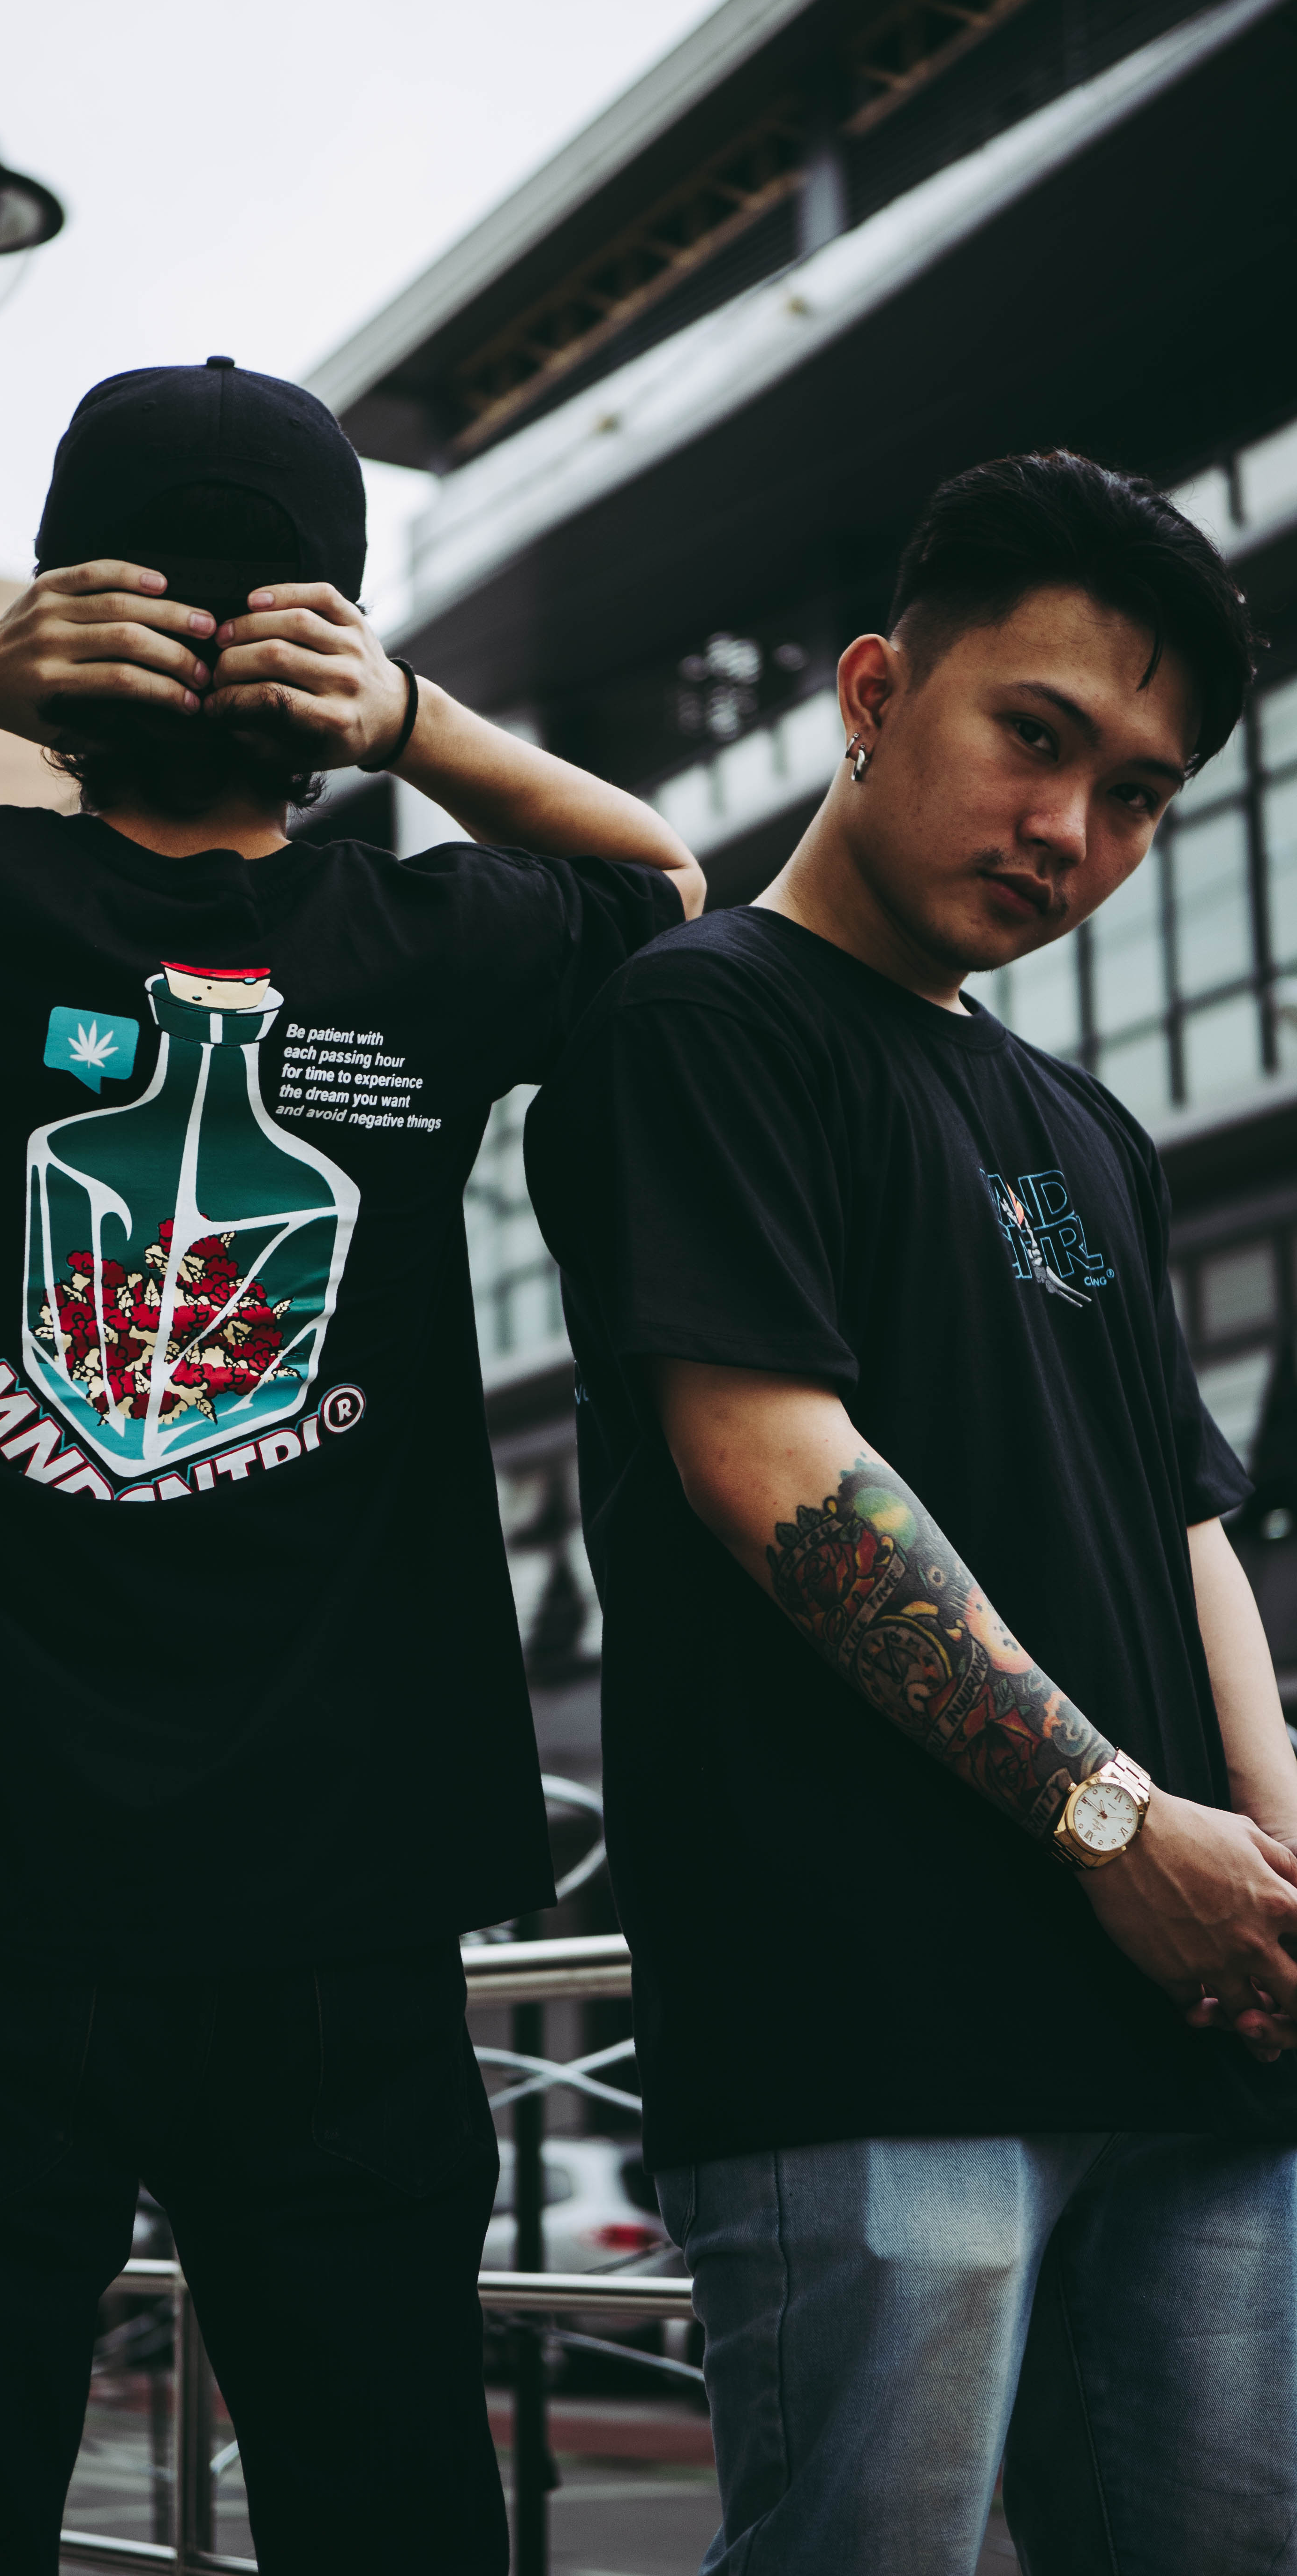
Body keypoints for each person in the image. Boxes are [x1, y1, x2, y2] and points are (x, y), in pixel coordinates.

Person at [0, 356, 703, 2575]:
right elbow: (659, 874)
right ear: (318, 651)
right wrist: (416, 721)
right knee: (385, 2502)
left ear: (78, 626)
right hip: (335, 1902)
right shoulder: (430, 947)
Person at [524, 451, 1297, 2576]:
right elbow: (774, 1468)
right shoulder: (702, 1022)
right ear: (873, 694)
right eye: (1031, 736)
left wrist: (1268, 1872)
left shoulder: (1090, 1128)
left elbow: (1187, 1525)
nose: (1071, 830)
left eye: (1135, 794)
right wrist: (1117, 1828)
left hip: (1195, 2037)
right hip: (874, 2028)